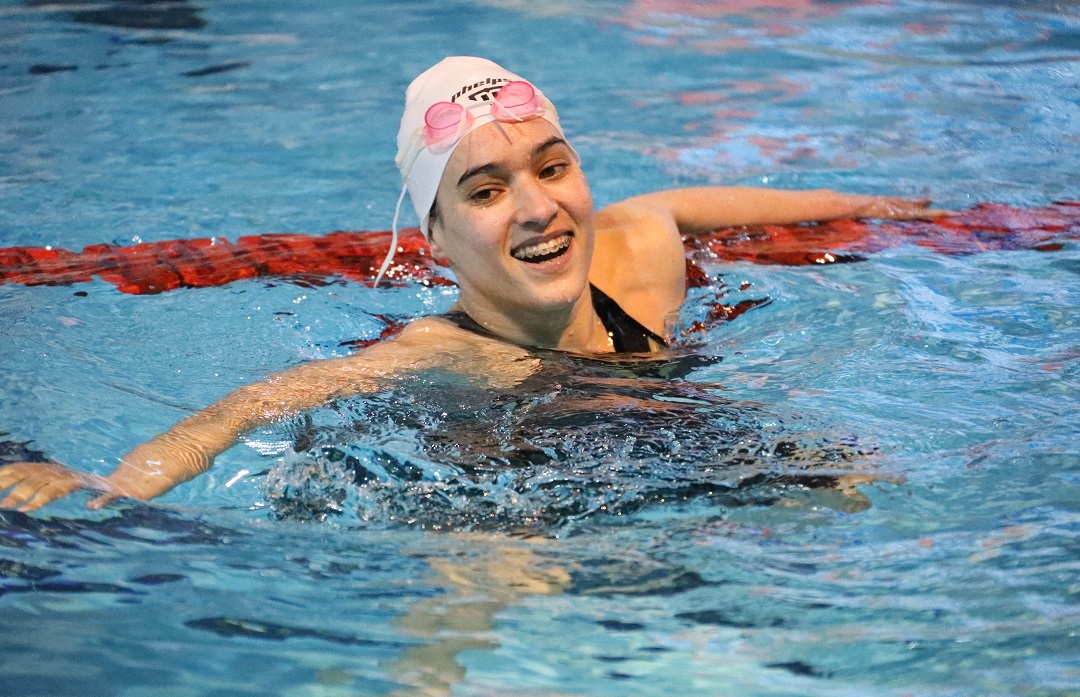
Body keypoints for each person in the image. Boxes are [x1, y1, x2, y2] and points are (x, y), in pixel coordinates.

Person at [0, 56, 943, 513]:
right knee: (492, 576)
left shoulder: (639, 249)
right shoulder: (439, 351)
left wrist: (875, 205)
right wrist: (114, 483)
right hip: (506, 487)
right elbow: (248, 406)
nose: (538, 209)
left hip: (664, 451)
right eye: (486, 192)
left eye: (553, 167)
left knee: (861, 478)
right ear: (438, 239)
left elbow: (707, 202)